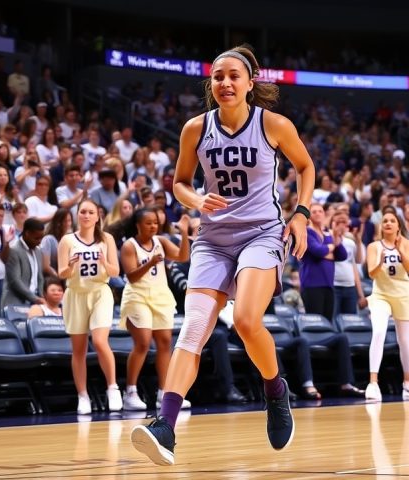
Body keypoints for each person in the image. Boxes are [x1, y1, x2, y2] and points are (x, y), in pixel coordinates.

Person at [131, 45, 315, 465]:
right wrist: (196, 200)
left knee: (247, 321)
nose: (225, 83)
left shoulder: (273, 124)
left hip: (261, 234)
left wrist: (301, 215)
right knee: (193, 327)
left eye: (233, 76)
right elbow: (180, 182)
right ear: (210, 84)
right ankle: (165, 427)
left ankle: (275, 389)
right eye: (218, 77)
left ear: (250, 83)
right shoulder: (195, 128)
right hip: (213, 239)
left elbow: (306, 167)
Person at [120, 209, 191, 411]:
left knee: (165, 343)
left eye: (155, 223)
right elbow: (132, 277)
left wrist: (184, 233)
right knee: (143, 343)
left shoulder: (161, 241)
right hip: (137, 296)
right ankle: (130, 392)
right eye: (148, 223)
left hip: (160, 295)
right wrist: (150, 262)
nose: (153, 226)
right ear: (138, 225)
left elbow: (182, 256)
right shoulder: (129, 245)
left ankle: (164, 393)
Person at [57, 199, 121, 413]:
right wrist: (70, 266)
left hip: (100, 292)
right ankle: (83, 395)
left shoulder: (107, 239)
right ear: (77, 215)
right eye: (82, 211)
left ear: (97, 216)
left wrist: (104, 262)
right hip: (75, 294)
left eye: (90, 212)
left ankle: (113, 387)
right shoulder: (67, 240)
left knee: (100, 341)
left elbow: (115, 272)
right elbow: (62, 273)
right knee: (79, 349)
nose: (86, 215)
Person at [364, 207, 409, 401]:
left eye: (392, 221)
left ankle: (408, 382)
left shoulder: (408, 244)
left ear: (398, 226)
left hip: (402, 294)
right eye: (385, 221)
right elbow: (372, 274)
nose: (388, 223)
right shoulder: (373, 246)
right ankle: (373, 383)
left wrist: (399, 250)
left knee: (404, 340)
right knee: (379, 332)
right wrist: (380, 262)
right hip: (381, 295)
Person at [300, 203, 347, 321]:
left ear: (324, 214)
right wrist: (332, 247)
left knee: (328, 322)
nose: (318, 214)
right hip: (312, 285)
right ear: (309, 216)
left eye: (320, 211)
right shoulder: (306, 232)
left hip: (328, 285)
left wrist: (336, 239)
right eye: (314, 211)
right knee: (316, 322)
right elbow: (318, 251)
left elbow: (342, 255)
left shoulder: (327, 233)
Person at [1, 218, 45, 309]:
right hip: (16, 303)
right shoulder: (14, 250)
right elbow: (15, 281)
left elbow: (40, 277)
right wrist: (35, 299)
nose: (39, 241)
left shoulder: (38, 251)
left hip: (35, 302)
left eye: (41, 238)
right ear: (27, 233)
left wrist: (41, 297)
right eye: (36, 238)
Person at [330, 210, 367, 317]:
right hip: (333, 286)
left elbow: (357, 263)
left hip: (350, 287)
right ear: (332, 223)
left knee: (351, 320)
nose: (341, 225)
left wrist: (361, 294)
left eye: (344, 222)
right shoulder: (326, 239)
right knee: (333, 319)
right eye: (338, 222)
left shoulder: (350, 242)